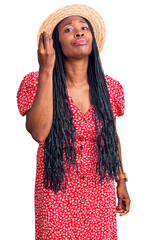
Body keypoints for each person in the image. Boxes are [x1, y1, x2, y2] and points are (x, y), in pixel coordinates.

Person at [16, 4, 131, 240]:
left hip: (99, 187)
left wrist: (121, 181)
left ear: (91, 38)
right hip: (56, 189)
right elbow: (38, 132)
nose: (78, 32)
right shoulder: (35, 81)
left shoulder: (110, 87)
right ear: (56, 44)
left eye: (83, 28)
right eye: (68, 29)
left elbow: (112, 136)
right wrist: (46, 70)